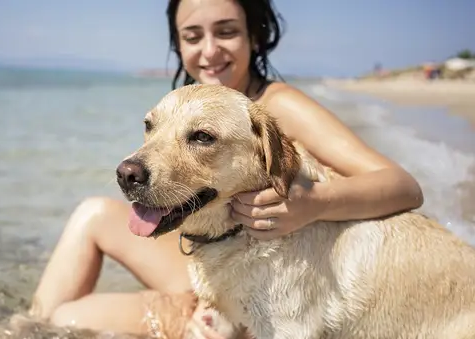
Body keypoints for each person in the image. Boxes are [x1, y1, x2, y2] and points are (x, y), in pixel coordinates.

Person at [26, 0, 424, 337]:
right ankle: (19, 326)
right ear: (178, 44)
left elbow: (403, 186)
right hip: (209, 250)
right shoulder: (183, 102)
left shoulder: (278, 106)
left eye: (226, 31)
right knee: (90, 215)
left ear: (255, 35)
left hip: (257, 267)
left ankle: (192, 316)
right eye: (192, 36)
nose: (210, 51)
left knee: (70, 318)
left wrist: (314, 203)